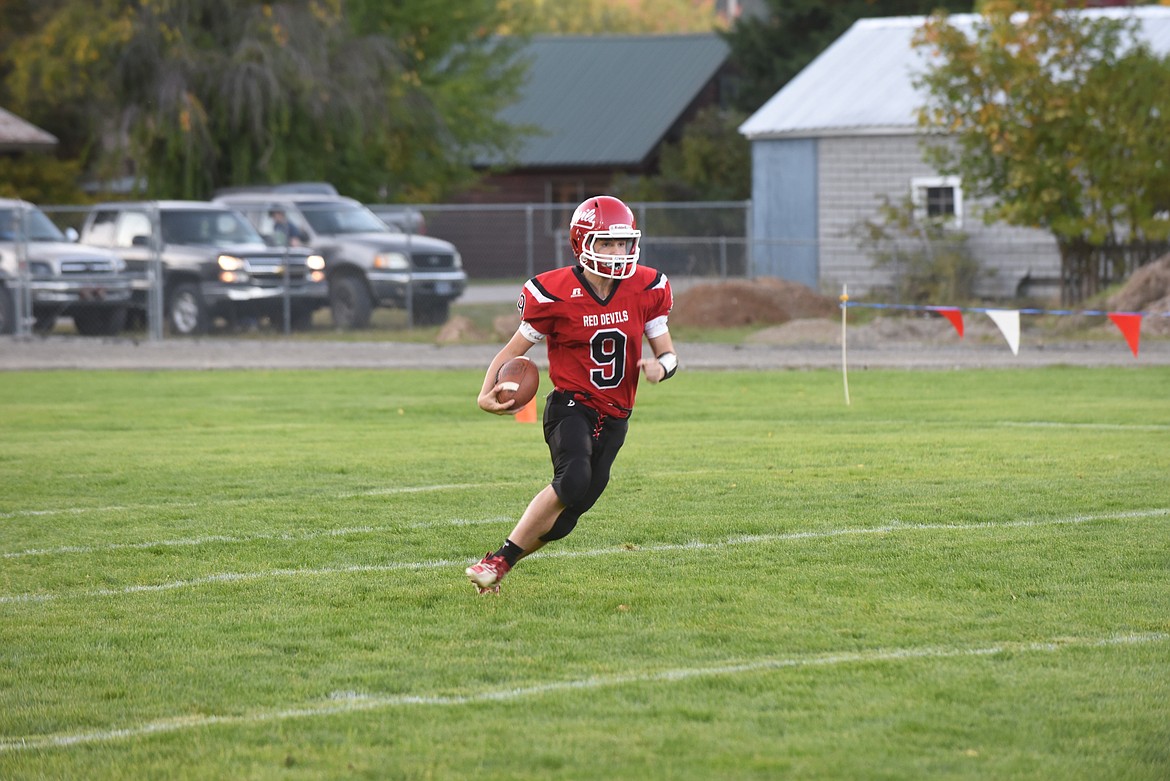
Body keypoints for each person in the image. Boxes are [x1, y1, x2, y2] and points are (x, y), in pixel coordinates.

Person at [466, 195, 678, 594]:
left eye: (622, 243)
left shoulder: (646, 287)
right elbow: (512, 352)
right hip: (570, 405)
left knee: (568, 517)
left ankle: (498, 563)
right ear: (583, 243)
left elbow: (669, 355)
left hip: (617, 414)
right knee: (573, 477)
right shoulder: (554, 292)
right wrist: (484, 394)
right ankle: (496, 561)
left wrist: (659, 367)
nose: (618, 253)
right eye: (607, 243)